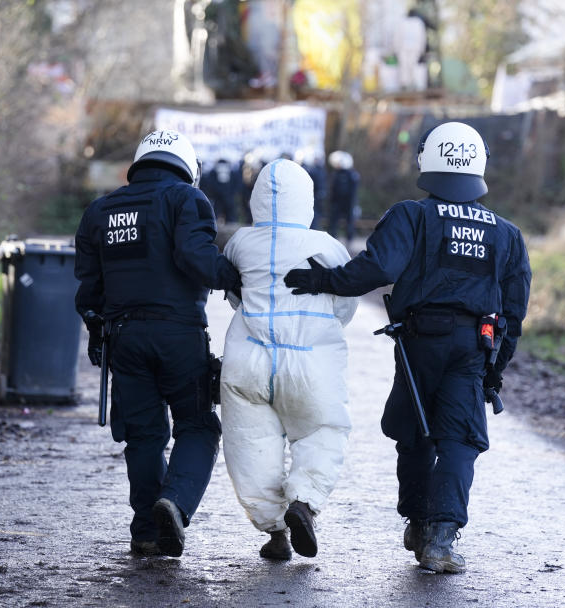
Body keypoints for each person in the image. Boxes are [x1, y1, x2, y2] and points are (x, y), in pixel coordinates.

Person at [284, 122, 531, 574]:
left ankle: (417, 523)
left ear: (427, 161)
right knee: (460, 439)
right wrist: (495, 369)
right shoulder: (507, 234)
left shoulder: (411, 216)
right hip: (473, 346)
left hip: (418, 342)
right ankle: (440, 537)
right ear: (479, 165)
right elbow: (514, 312)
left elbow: (374, 269)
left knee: (414, 428)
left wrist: (322, 280)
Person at [74, 130, 241, 559]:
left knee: (144, 436)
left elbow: (89, 290)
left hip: (124, 338)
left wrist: (97, 331)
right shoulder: (187, 199)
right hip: (178, 335)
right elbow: (196, 258)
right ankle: (176, 502)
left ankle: (147, 529)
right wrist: (240, 278)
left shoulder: (100, 211)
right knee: (198, 426)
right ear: (186, 167)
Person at [219, 159, 358, 561]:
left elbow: (234, 295)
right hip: (310, 362)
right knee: (323, 431)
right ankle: (305, 502)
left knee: (250, 444)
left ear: (255, 199)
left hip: (249, 362)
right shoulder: (328, 246)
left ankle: (275, 531)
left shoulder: (240, 243)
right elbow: (344, 303)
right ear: (308, 200)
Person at [327, 151, 360, 244]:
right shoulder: (336, 174)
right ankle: (332, 239)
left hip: (348, 203)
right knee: (333, 222)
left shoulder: (352, 175)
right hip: (337, 203)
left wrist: (353, 204)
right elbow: (333, 190)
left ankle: (349, 240)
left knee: (349, 222)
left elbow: (353, 192)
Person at [200, 157, 242, 224]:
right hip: (217, 199)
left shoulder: (233, 174)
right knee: (216, 215)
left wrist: (231, 194)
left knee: (231, 218)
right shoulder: (212, 174)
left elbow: (237, 185)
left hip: (229, 198)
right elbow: (210, 186)